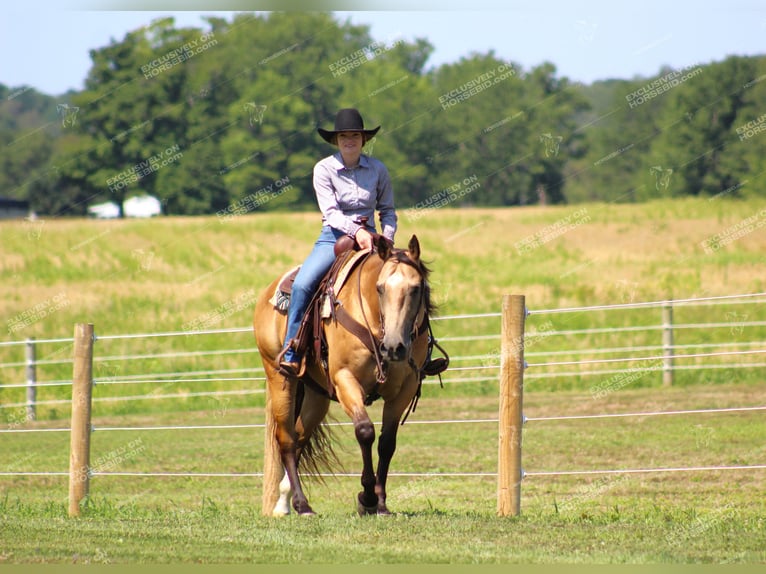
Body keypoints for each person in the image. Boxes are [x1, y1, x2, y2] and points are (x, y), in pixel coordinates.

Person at [278, 108, 397, 377]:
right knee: (304, 284)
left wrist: (387, 240)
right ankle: (292, 349)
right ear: (336, 140)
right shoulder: (324, 169)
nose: (349, 140)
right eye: (344, 136)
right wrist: (358, 233)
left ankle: (420, 351)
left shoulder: (378, 169)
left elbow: (387, 210)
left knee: (408, 280)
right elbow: (331, 213)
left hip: (374, 241)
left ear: (364, 139)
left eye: (355, 135)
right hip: (333, 239)